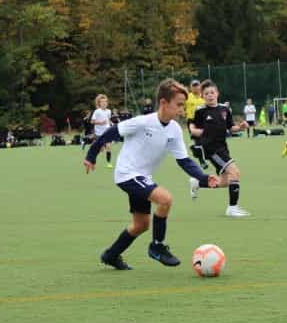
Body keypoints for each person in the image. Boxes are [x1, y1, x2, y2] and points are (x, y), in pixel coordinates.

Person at [83, 78, 218, 270]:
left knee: (141, 225)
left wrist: (203, 178)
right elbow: (111, 133)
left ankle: (111, 255)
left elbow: (184, 160)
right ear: (163, 103)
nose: (181, 110)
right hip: (127, 174)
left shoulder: (174, 130)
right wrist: (91, 155)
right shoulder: (143, 122)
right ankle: (157, 247)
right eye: (179, 105)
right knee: (165, 199)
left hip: (142, 178)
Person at [189, 79, 250, 217]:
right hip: (211, 149)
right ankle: (232, 208)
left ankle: (198, 183)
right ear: (202, 96)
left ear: (217, 93)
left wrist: (240, 127)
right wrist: (194, 131)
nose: (210, 95)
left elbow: (230, 127)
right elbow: (192, 126)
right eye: (206, 93)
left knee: (225, 181)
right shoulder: (201, 111)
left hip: (223, 147)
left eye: (212, 92)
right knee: (235, 172)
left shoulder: (224, 109)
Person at [185, 79, 208, 169]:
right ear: (191, 87)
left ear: (200, 86)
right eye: (193, 86)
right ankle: (202, 162)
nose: (195, 87)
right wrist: (182, 112)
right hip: (192, 121)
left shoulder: (204, 96)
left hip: (204, 121)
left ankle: (194, 148)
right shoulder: (187, 97)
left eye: (197, 85)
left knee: (205, 141)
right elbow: (181, 106)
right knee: (198, 142)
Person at [91, 94, 113, 168]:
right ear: (99, 103)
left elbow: (108, 120)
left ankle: (109, 163)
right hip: (99, 134)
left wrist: (111, 124)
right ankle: (92, 161)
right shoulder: (97, 111)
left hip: (107, 132)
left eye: (105, 102)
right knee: (99, 149)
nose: (104, 103)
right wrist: (100, 123)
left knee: (109, 147)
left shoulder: (109, 111)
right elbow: (92, 121)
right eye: (102, 102)